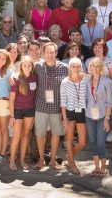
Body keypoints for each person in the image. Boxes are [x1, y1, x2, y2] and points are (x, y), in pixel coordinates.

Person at [34, 42, 68, 171]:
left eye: (52, 52)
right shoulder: (37, 66)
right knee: (40, 133)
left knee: (56, 133)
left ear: (56, 53)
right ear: (43, 53)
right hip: (41, 104)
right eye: (47, 52)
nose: (49, 54)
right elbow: (24, 74)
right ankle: (41, 159)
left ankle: (53, 160)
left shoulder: (64, 68)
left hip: (57, 106)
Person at [85, 57, 112, 177]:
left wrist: (107, 120)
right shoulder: (86, 80)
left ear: (101, 68)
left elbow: (109, 103)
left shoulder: (107, 82)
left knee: (101, 142)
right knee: (92, 142)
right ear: (89, 68)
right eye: (93, 66)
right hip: (89, 116)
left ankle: (103, 167)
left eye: (97, 66)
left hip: (102, 116)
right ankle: (96, 167)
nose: (95, 69)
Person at [60, 58, 88, 175]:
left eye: (78, 67)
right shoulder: (65, 82)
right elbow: (63, 101)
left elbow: (97, 76)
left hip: (82, 111)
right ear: (69, 68)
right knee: (69, 140)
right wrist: (65, 118)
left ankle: (69, 156)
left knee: (82, 142)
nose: (76, 69)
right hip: (70, 112)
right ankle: (72, 163)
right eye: (73, 66)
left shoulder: (86, 79)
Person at [9, 56, 37, 171]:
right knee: (17, 136)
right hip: (18, 110)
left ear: (32, 66)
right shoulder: (16, 78)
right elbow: (11, 99)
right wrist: (12, 116)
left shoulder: (34, 77)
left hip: (30, 110)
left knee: (26, 135)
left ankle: (21, 160)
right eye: (24, 65)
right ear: (20, 66)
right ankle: (11, 160)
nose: (27, 67)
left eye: (29, 65)